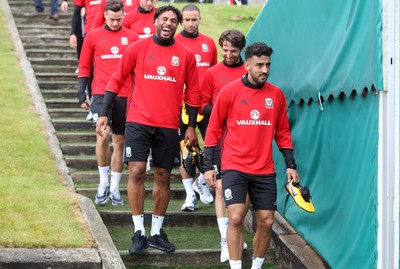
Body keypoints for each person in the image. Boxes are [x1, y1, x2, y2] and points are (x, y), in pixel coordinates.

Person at [96, 5, 200, 254]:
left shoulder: (185, 55)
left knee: (163, 176)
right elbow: (116, 79)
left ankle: (156, 232)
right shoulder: (137, 48)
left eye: (173, 20)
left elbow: (194, 92)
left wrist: (191, 127)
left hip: (167, 125)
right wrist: (103, 113)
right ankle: (138, 232)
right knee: (137, 171)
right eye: (164, 18)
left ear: (177, 25)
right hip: (138, 121)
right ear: (155, 21)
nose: (169, 23)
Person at [203, 42, 300, 269]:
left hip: (265, 169)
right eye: (259, 65)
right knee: (236, 217)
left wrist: (290, 164)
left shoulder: (276, 95)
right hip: (234, 166)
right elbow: (214, 128)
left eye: (267, 65)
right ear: (247, 65)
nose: (264, 70)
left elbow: (283, 132)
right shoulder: (229, 91)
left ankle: (256, 266)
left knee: (266, 221)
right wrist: (208, 165)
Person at [78, 0, 139, 206]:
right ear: (104, 16)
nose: (115, 23)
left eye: (119, 19)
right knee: (103, 135)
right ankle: (103, 183)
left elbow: (137, 70)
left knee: (120, 140)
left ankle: (114, 188)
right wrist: (81, 91)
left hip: (125, 95)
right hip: (101, 94)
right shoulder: (93, 36)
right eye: (112, 19)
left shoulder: (132, 38)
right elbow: (85, 65)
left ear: (124, 15)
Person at [199, 29, 248, 263]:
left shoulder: (249, 72)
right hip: (220, 137)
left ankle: (235, 233)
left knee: (242, 190)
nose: (228, 55)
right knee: (220, 187)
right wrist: (223, 110)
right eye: (225, 50)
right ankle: (224, 239)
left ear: (241, 51)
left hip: (246, 139)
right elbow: (202, 106)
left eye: (233, 51)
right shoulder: (212, 73)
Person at [174, 4, 217, 212]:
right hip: (183, 106)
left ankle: (201, 181)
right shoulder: (175, 42)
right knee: (186, 149)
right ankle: (190, 195)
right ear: (182, 20)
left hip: (207, 105)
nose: (191, 23)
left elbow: (215, 74)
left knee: (212, 146)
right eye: (187, 20)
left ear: (200, 19)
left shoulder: (209, 43)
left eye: (194, 19)